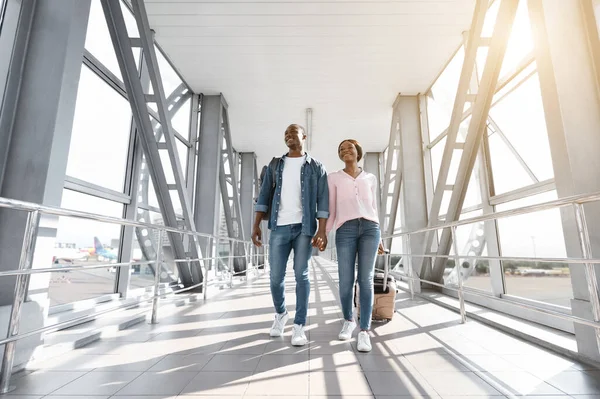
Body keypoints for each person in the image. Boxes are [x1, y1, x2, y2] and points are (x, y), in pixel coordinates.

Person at [252, 124, 329, 346]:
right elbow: (264, 196)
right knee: (275, 276)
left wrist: (322, 230)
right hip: (278, 227)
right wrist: (256, 225)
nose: (288, 136)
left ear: (303, 136)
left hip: (304, 228)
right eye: (285, 133)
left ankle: (299, 325)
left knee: (301, 274)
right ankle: (281, 313)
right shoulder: (275, 165)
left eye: (292, 132)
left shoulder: (316, 167)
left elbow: (322, 200)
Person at [326, 139, 384, 352]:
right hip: (346, 229)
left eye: (349, 147)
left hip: (370, 228)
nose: (345, 150)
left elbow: (373, 207)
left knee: (366, 279)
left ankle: (364, 331)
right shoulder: (333, 177)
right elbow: (331, 208)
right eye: (341, 148)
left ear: (357, 151)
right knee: (345, 279)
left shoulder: (370, 177)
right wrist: (323, 233)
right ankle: (349, 320)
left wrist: (381, 237)